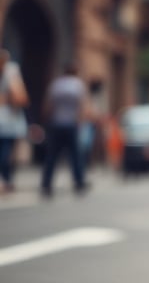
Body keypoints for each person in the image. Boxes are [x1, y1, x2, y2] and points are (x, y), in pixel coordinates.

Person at [40, 63, 88, 197]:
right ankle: (79, 183)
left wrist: (46, 121)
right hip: (71, 124)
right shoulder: (78, 84)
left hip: (56, 124)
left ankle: (46, 184)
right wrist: (81, 121)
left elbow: (48, 105)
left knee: (52, 156)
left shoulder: (56, 84)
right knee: (75, 156)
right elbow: (82, 105)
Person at [0, 49, 29, 194]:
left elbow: (21, 99)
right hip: (6, 121)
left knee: (5, 153)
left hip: (7, 123)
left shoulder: (11, 73)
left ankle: (7, 180)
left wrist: (12, 89)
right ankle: (6, 180)